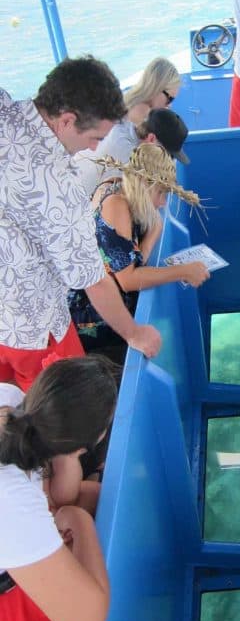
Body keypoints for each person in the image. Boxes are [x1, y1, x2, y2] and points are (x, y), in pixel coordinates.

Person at [0, 56, 161, 392]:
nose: (94, 149)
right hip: (34, 333)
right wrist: (135, 333)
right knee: (65, 418)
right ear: (66, 120)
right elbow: (94, 280)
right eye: (93, 138)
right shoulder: (58, 186)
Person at [0, 355, 117, 621]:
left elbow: (56, 496)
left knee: (91, 495)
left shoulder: (10, 402)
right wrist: (78, 519)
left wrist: (66, 466)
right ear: (91, 442)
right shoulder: (12, 501)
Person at [69, 144, 210, 352]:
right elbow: (128, 280)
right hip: (96, 315)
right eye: (161, 193)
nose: (163, 203)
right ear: (145, 185)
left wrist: (154, 230)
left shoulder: (115, 183)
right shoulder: (116, 206)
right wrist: (184, 271)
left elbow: (133, 259)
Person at [75, 107, 191, 198]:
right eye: (167, 154)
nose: (167, 159)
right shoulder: (127, 156)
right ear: (151, 139)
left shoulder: (126, 126)